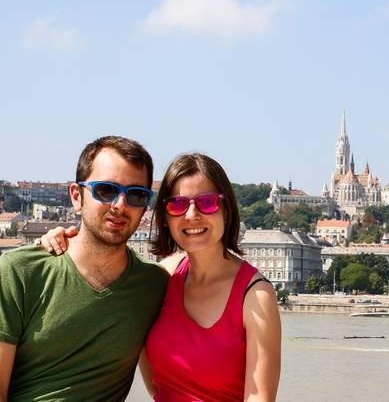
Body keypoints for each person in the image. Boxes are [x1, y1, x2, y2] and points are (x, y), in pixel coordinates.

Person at [38, 152, 282, 401]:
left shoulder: (255, 297)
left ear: (227, 210)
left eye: (207, 202)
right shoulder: (162, 278)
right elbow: (158, 388)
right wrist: (61, 239)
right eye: (178, 204)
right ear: (165, 218)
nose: (191, 215)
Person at [0, 136, 169, 401]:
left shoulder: (154, 284)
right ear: (77, 196)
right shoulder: (18, 271)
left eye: (136, 195)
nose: (120, 205)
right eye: (105, 190)